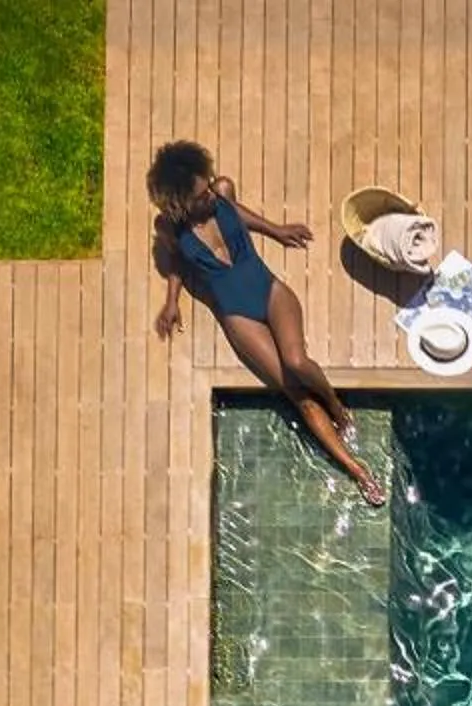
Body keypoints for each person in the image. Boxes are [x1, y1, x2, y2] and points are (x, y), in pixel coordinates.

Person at [148, 141, 384, 506]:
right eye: (201, 193)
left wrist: (276, 230)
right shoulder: (169, 227)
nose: (211, 191)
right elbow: (176, 260)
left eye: (208, 184)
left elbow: (238, 213)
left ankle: (337, 407)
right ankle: (358, 471)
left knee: (298, 363)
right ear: (181, 204)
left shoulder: (222, 191)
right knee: (298, 397)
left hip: (269, 290)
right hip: (237, 314)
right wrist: (172, 299)